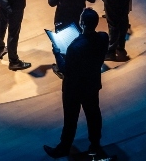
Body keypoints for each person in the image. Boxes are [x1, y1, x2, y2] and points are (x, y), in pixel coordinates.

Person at [44, 8, 109, 159]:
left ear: (82, 24)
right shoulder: (103, 37)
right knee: (93, 115)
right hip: (92, 84)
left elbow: (65, 69)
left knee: (70, 119)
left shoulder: (75, 47)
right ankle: (95, 144)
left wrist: (57, 54)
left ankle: (63, 148)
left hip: (74, 89)